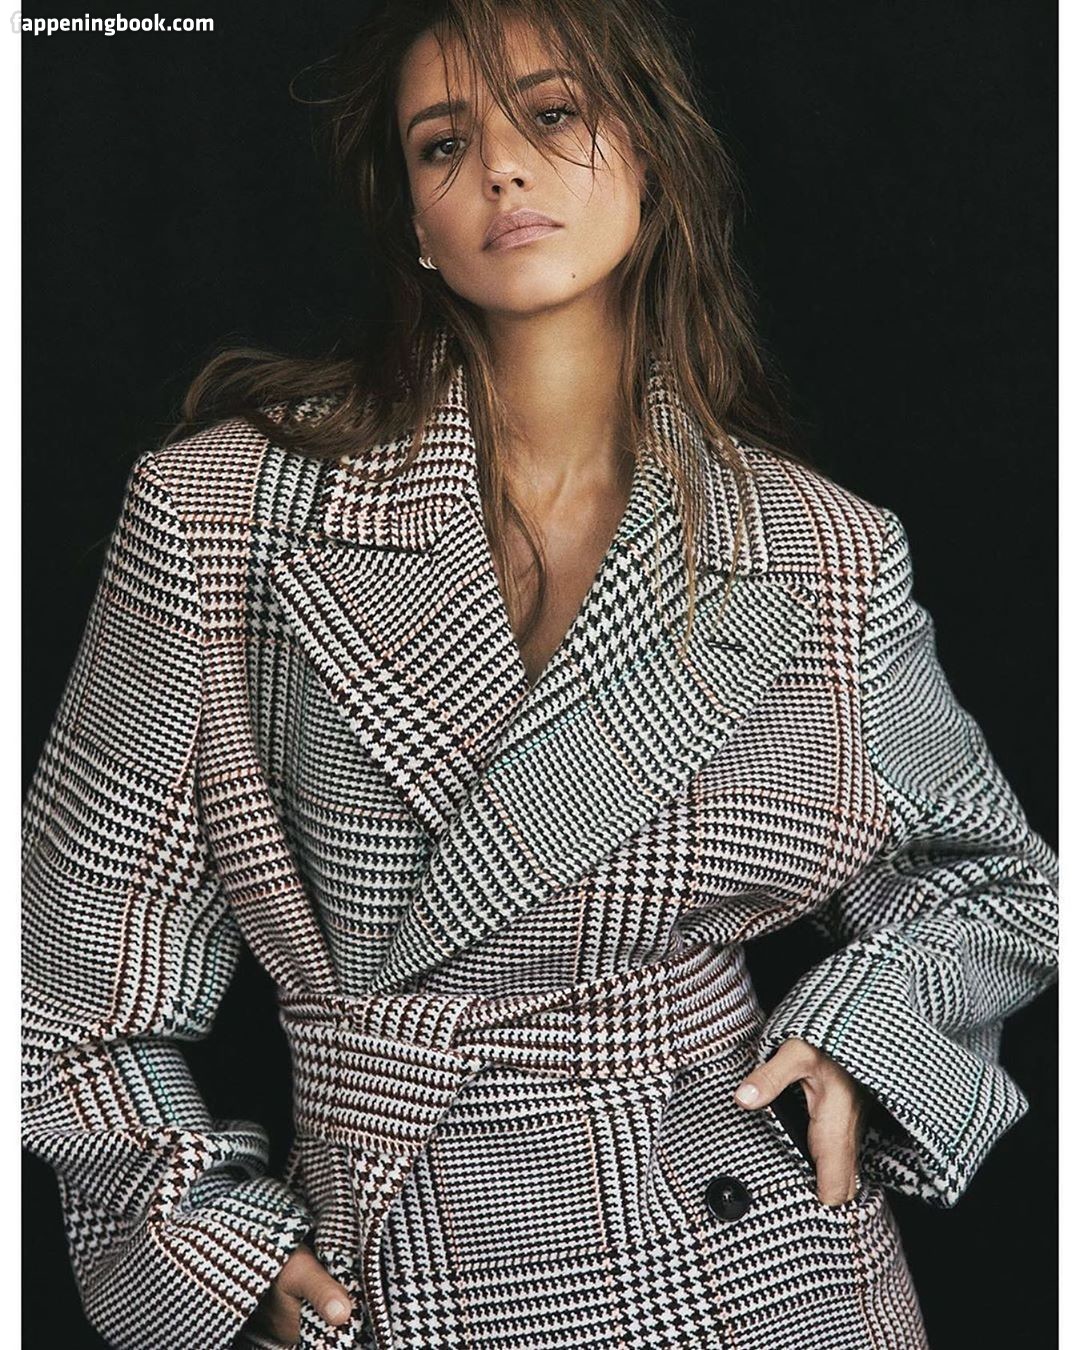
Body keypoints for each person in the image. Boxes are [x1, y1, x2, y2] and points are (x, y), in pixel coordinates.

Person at [21, 2, 1058, 1348]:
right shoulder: (223, 515)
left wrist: (865, 1035)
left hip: (756, 1263)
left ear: (652, 159)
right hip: (402, 1260)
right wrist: (208, 1235)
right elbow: (61, 972)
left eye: (553, 115)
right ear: (414, 218)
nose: (503, 168)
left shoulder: (819, 549)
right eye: (444, 143)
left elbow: (996, 881)